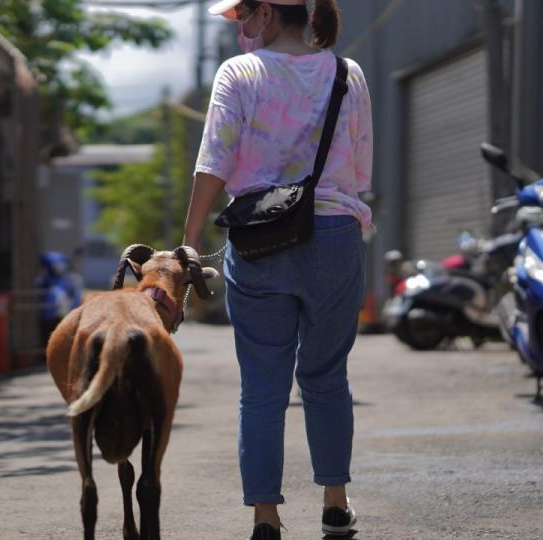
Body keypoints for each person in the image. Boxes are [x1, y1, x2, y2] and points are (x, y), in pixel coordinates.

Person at [181, 1, 373, 538]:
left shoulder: (239, 72)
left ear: (265, 14)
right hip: (335, 234)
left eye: (243, 16)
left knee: (263, 386)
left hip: (261, 238)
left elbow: (214, 160)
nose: (239, 29)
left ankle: (266, 516)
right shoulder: (346, 72)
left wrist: (190, 240)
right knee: (327, 376)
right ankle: (335, 501)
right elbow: (360, 168)